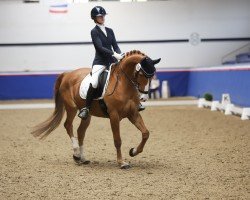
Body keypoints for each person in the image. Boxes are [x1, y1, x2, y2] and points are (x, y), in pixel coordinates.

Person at [78, 6, 144, 119]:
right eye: (100, 16)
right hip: (100, 62)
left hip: (112, 61)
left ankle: (136, 102)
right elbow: (99, 48)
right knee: (94, 82)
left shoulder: (110, 30)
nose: (102, 17)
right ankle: (86, 108)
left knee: (127, 76)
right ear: (95, 18)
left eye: (103, 15)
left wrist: (120, 55)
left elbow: (115, 46)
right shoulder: (94, 32)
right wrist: (114, 54)